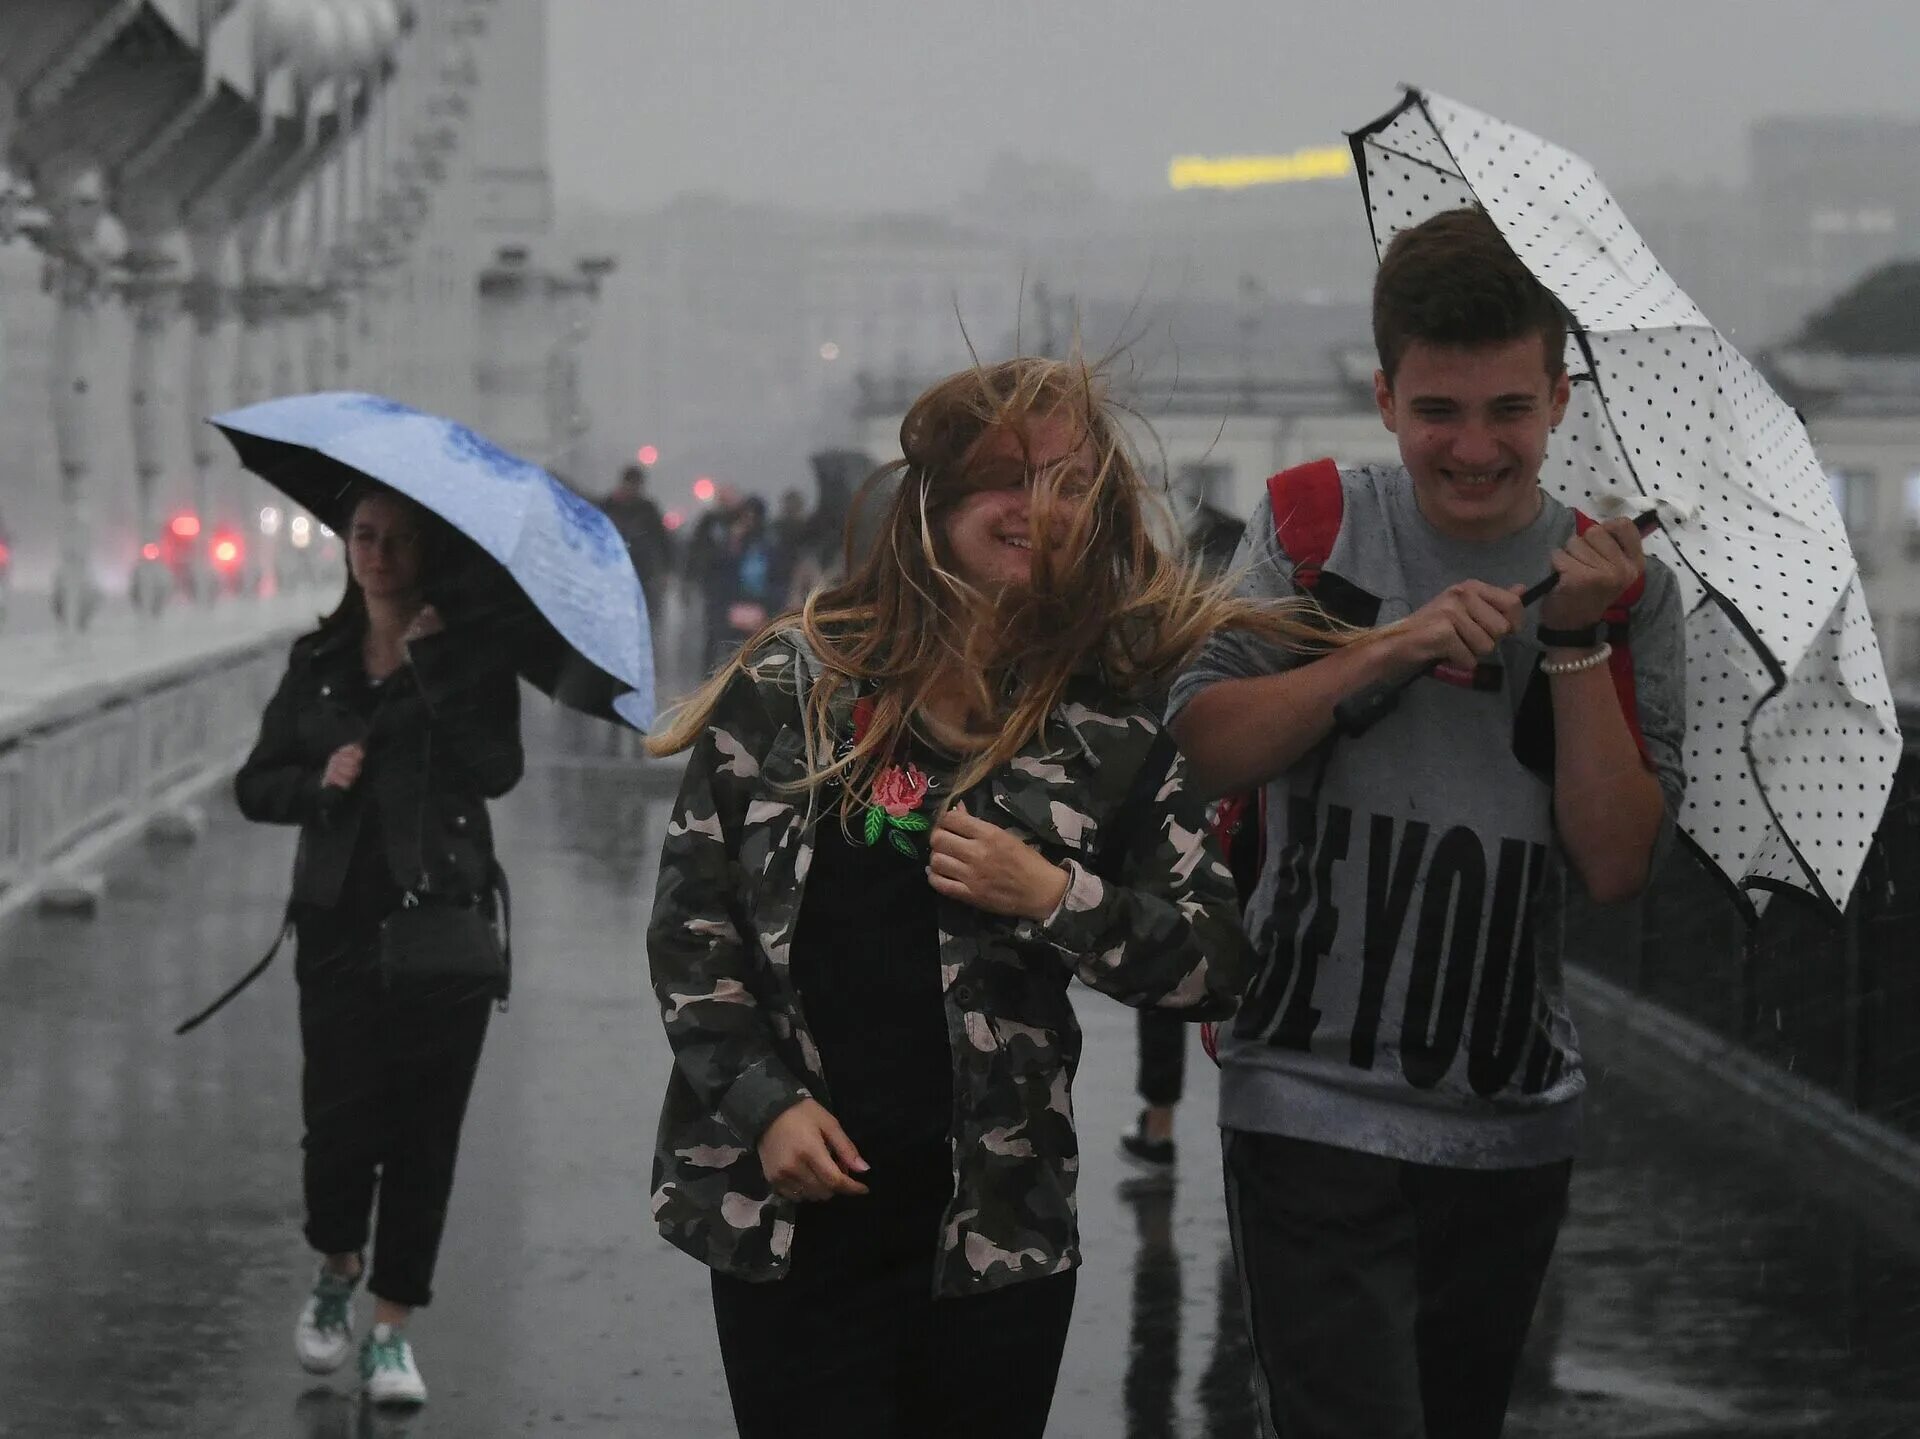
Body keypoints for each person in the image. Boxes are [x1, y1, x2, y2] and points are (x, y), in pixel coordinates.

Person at [643, 357, 1342, 1438]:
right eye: (1008, 477)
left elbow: (1215, 961)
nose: (1038, 510)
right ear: (940, 495)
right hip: (788, 1212)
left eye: (1072, 487)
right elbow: (694, 926)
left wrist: (1056, 893)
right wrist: (765, 1102)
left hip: (993, 1231)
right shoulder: (799, 681)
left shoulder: (1106, 726)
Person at [1169, 207, 1686, 1439]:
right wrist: (1384, 646)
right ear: (1387, 396)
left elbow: (1615, 863)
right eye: (1438, 412)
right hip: (1304, 1087)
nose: (1473, 448)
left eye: (1509, 409)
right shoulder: (1310, 527)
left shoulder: (1624, 587)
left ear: (1560, 399)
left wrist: (1570, 643)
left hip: (1511, 1116)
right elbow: (1204, 741)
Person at [234, 483, 522, 1409]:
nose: (380, 552)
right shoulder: (317, 659)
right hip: (336, 929)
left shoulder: (470, 656)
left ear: (426, 551)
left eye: (399, 538)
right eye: (364, 534)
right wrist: (321, 778)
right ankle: (337, 1262)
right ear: (346, 545)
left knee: (423, 1137)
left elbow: (497, 769)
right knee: (339, 1131)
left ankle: (391, 1328)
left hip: (442, 927)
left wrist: (435, 664)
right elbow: (255, 783)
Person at [1119, 470, 1250, 1187]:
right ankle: (1251, 1124)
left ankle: (1161, 1122)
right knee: (1246, 966)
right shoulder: (1264, 625)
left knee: (1167, 961)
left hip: (1169, 815)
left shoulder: (1159, 621)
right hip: (1250, 818)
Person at [600, 462, 671, 629]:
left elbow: (662, 540)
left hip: (641, 571)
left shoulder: (647, 509)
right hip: (614, 570)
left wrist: (665, 569)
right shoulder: (609, 506)